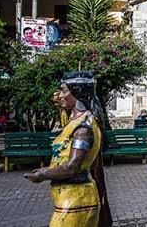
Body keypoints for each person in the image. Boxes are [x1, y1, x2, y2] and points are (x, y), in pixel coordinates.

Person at [26, 71, 112, 226]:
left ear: (77, 92)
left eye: (64, 90)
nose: (60, 95)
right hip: (69, 199)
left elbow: (72, 167)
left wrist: (43, 174)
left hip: (76, 200)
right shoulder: (75, 121)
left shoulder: (83, 128)